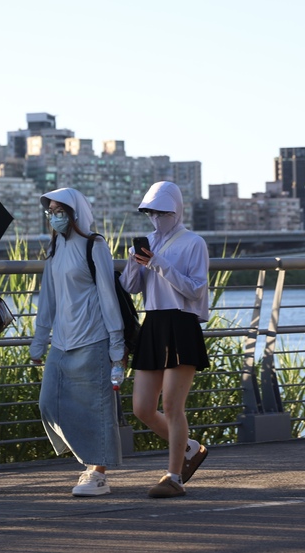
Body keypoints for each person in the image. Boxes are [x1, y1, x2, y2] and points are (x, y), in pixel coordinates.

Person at [29, 188, 124, 497]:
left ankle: (98, 472)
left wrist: (117, 347)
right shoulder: (54, 248)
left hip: (93, 338)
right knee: (48, 403)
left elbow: (109, 296)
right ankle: (89, 460)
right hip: (61, 342)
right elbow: (48, 299)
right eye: (50, 212)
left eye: (60, 211)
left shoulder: (93, 245)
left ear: (75, 213)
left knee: (97, 408)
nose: (54, 217)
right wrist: (39, 343)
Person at [119, 180, 210, 498]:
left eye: (162, 211)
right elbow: (131, 288)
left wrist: (158, 263)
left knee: (172, 404)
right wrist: (134, 262)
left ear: (176, 210)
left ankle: (174, 476)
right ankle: (190, 448)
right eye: (151, 212)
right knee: (143, 408)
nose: (157, 218)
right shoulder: (148, 244)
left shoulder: (193, 242)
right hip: (153, 323)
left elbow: (195, 289)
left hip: (181, 323)